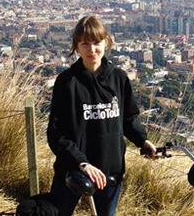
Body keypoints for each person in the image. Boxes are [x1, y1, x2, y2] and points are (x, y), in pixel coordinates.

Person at [47, 16, 156, 216]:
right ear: (76, 47)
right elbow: (57, 134)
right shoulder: (67, 83)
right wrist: (82, 163)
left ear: (106, 42)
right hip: (71, 171)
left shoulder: (119, 79)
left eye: (96, 43)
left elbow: (128, 118)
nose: (92, 50)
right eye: (85, 44)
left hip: (110, 173)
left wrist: (143, 140)